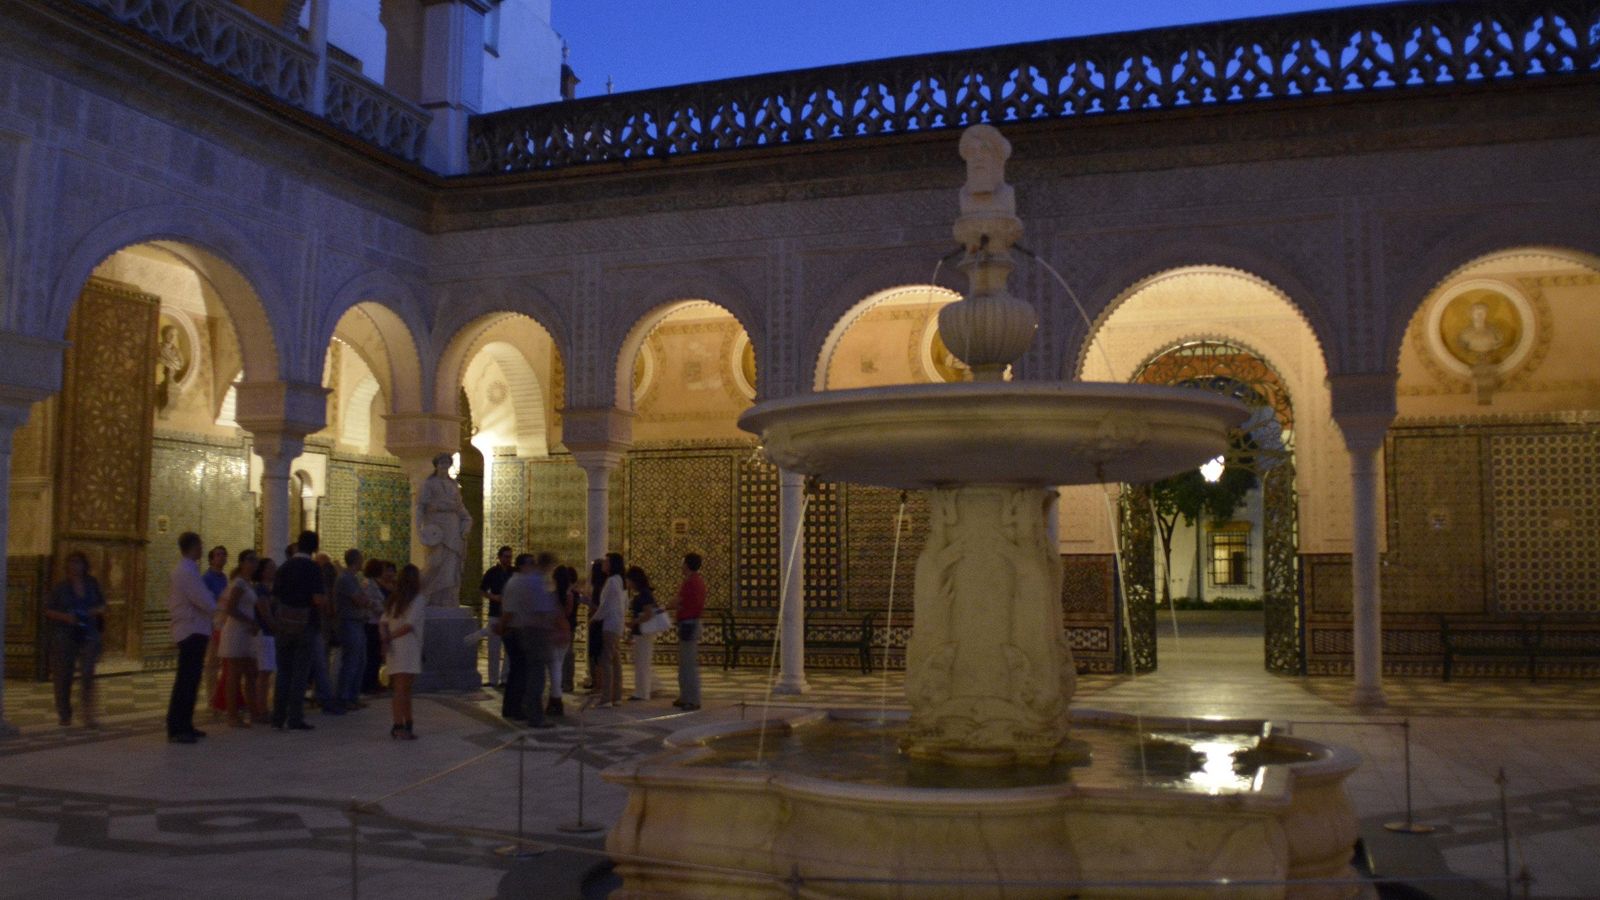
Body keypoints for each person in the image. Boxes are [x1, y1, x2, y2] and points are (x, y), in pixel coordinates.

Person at [43, 551, 106, 727]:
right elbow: (48, 610)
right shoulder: (60, 587)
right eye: (71, 562)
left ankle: (88, 713)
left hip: (88, 633)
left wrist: (91, 612)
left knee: (87, 672)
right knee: (63, 675)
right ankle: (65, 713)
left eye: (78, 562)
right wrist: (66, 617)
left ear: (84, 565)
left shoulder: (92, 584)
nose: (74, 566)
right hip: (65, 635)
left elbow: (102, 604)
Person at [272, 531, 326, 732]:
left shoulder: (284, 567)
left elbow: (275, 597)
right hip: (306, 625)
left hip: (284, 625)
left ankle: (278, 716)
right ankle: (294, 717)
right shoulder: (313, 569)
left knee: (283, 671)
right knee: (300, 673)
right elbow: (317, 599)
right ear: (314, 548)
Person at [165, 532, 215, 744]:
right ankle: (177, 727)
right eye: (201, 545)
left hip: (196, 629)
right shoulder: (186, 571)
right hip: (191, 630)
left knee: (191, 680)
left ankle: (185, 724)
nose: (203, 548)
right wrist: (214, 606)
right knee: (186, 681)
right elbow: (203, 600)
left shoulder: (189, 570)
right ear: (194, 546)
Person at [503, 552, 558, 727]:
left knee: (528, 674)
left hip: (528, 631)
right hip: (535, 633)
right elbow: (540, 610)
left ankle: (522, 709)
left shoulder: (528, 580)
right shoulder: (534, 581)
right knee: (536, 677)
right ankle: (533, 715)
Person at [416, 452, 472, 608]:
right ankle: (425, 594)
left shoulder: (453, 485)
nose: (444, 465)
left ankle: (447, 599)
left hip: (453, 528)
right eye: (441, 462)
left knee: (452, 564)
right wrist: (419, 529)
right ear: (436, 465)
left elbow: (461, 508)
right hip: (436, 526)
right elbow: (421, 507)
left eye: (447, 462)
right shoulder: (429, 484)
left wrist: (467, 523)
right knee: (435, 562)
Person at [380, 564, 427, 739]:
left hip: (396, 647)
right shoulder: (418, 599)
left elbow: (383, 622)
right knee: (401, 689)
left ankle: (407, 722)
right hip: (408, 646)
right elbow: (408, 626)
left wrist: (385, 639)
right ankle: (399, 725)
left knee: (404, 688)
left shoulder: (394, 599)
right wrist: (388, 638)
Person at [218, 550, 262, 727]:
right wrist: (250, 622)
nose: (254, 564)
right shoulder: (238, 583)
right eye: (250, 560)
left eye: (256, 561)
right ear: (242, 562)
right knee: (234, 676)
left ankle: (254, 712)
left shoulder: (248, 583)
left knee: (252, 673)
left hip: (246, 632)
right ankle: (232, 716)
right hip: (236, 632)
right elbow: (231, 608)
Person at [334, 548, 370, 712]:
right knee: (351, 661)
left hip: (357, 623)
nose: (363, 562)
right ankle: (344, 697)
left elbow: (364, 599)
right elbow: (360, 600)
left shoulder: (353, 579)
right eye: (361, 558)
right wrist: (365, 601)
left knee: (360, 661)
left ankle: (353, 696)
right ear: (356, 560)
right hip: (349, 623)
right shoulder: (346, 579)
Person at [670, 553, 706, 711]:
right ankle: (685, 696)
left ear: (687, 564)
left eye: (682, 562)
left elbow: (678, 600)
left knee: (688, 664)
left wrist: (664, 607)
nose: (681, 565)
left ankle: (693, 699)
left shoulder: (691, 582)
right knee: (685, 663)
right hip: (690, 623)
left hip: (689, 624)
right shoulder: (697, 581)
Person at [498, 553, 531, 722]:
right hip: (515, 632)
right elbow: (509, 611)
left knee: (516, 672)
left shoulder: (518, 582)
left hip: (516, 630)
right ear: (523, 566)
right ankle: (516, 708)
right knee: (520, 673)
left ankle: (510, 707)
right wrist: (502, 627)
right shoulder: (517, 583)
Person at [594, 553, 628, 708]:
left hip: (609, 625)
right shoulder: (621, 581)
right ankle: (617, 696)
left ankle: (606, 698)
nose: (603, 563)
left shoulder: (611, 581)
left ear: (612, 564)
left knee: (606, 660)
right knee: (616, 661)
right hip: (618, 625)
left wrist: (594, 618)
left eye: (606, 561)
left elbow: (605, 606)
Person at [309, 553, 341, 714]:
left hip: (321, 628)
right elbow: (328, 608)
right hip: (319, 628)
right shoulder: (322, 587)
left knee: (322, 662)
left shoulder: (322, 585)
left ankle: (319, 693)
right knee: (321, 663)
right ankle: (323, 697)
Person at [200, 545, 228, 720]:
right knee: (212, 664)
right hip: (211, 625)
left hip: (223, 624)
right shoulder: (206, 578)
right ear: (211, 559)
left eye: (224, 555)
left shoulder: (224, 578)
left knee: (222, 664)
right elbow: (209, 600)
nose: (222, 558)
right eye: (218, 555)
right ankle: (211, 700)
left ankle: (220, 699)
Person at [626, 566, 662, 702]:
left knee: (642, 663)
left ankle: (642, 692)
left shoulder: (645, 594)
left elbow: (649, 613)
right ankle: (645, 689)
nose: (627, 583)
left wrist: (634, 622)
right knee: (641, 662)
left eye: (628, 580)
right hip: (640, 632)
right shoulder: (643, 594)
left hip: (644, 633)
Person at [480, 546, 514, 688]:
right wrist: (493, 597)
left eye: (510, 557)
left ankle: (505, 679)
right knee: (493, 648)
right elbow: (482, 590)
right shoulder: (492, 572)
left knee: (508, 649)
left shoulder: (514, 573)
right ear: (499, 557)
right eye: (505, 556)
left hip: (510, 615)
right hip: (495, 613)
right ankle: (493, 679)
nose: (508, 559)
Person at [251, 556, 278, 725]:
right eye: (271, 568)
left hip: (269, 634)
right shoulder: (260, 589)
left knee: (266, 673)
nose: (274, 571)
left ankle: (262, 707)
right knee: (263, 673)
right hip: (265, 634)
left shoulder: (269, 589)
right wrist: (277, 628)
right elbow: (265, 613)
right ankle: (261, 709)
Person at [552, 565, 579, 706]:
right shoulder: (569, 594)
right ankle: (561, 687)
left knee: (556, 663)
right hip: (565, 629)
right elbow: (568, 612)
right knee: (563, 659)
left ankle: (559, 689)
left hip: (556, 630)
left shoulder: (556, 594)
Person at [360, 558, 388, 694]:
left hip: (376, 622)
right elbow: (371, 603)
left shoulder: (374, 584)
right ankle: (368, 684)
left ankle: (373, 681)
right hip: (371, 623)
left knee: (375, 656)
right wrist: (384, 609)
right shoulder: (369, 585)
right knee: (372, 655)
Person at [583, 558, 606, 690]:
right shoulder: (602, 586)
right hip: (598, 623)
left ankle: (598, 684)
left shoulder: (599, 588)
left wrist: (587, 602)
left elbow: (599, 607)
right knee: (595, 654)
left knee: (596, 655)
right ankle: (597, 683)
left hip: (597, 623)